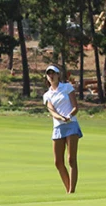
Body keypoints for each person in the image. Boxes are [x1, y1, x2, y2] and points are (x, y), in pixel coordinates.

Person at [43, 65, 83, 194]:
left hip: (71, 125)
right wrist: (61, 117)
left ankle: (72, 191)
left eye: (53, 73)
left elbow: (75, 107)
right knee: (58, 162)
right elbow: (52, 111)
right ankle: (68, 189)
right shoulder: (47, 95)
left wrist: (69, 116)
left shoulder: (67, 87)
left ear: (58, 75)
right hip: (58, 127)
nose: (51, 76)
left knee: (71, 159)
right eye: (49, 74)